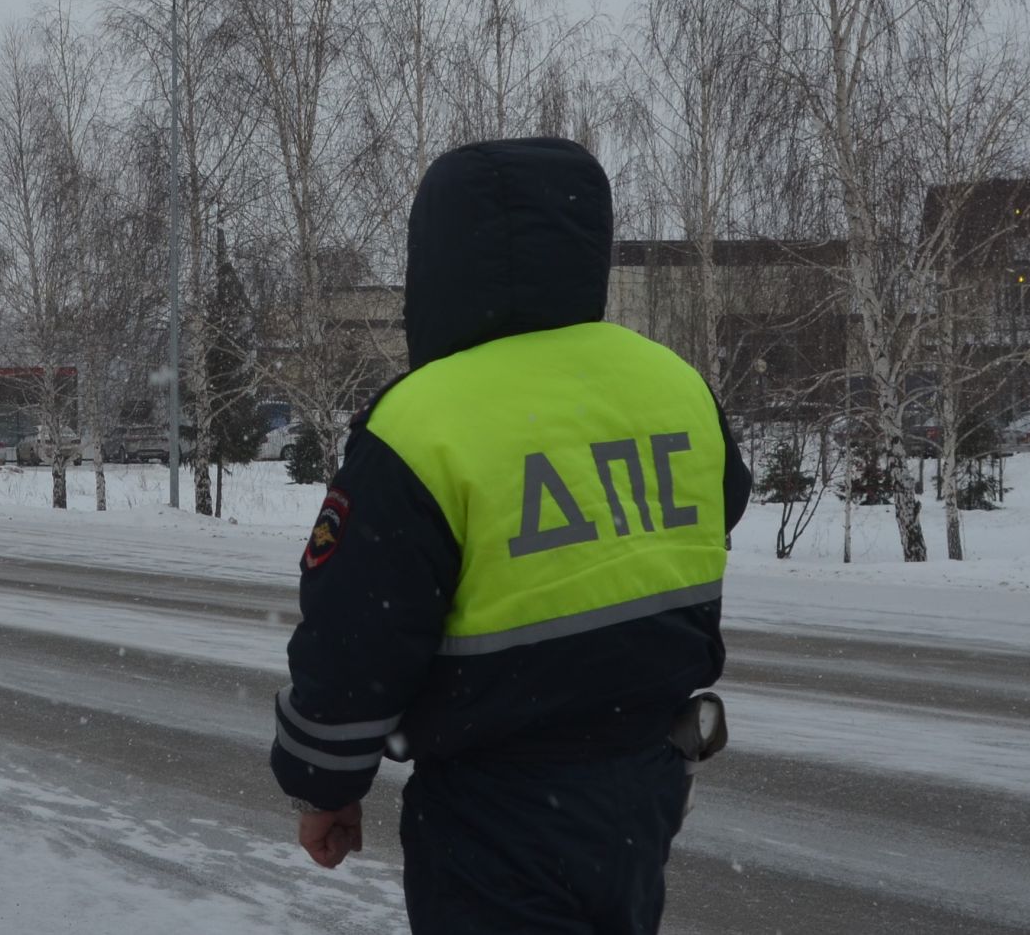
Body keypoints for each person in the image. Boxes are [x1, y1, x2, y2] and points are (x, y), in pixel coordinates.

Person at [270, 136, 751, 935]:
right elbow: (718, 503)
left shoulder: (422, 422)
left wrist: (325, 785)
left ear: (439, 258)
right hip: (644, 789)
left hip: (496, 810)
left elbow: (357, 635)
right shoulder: (676, 385)